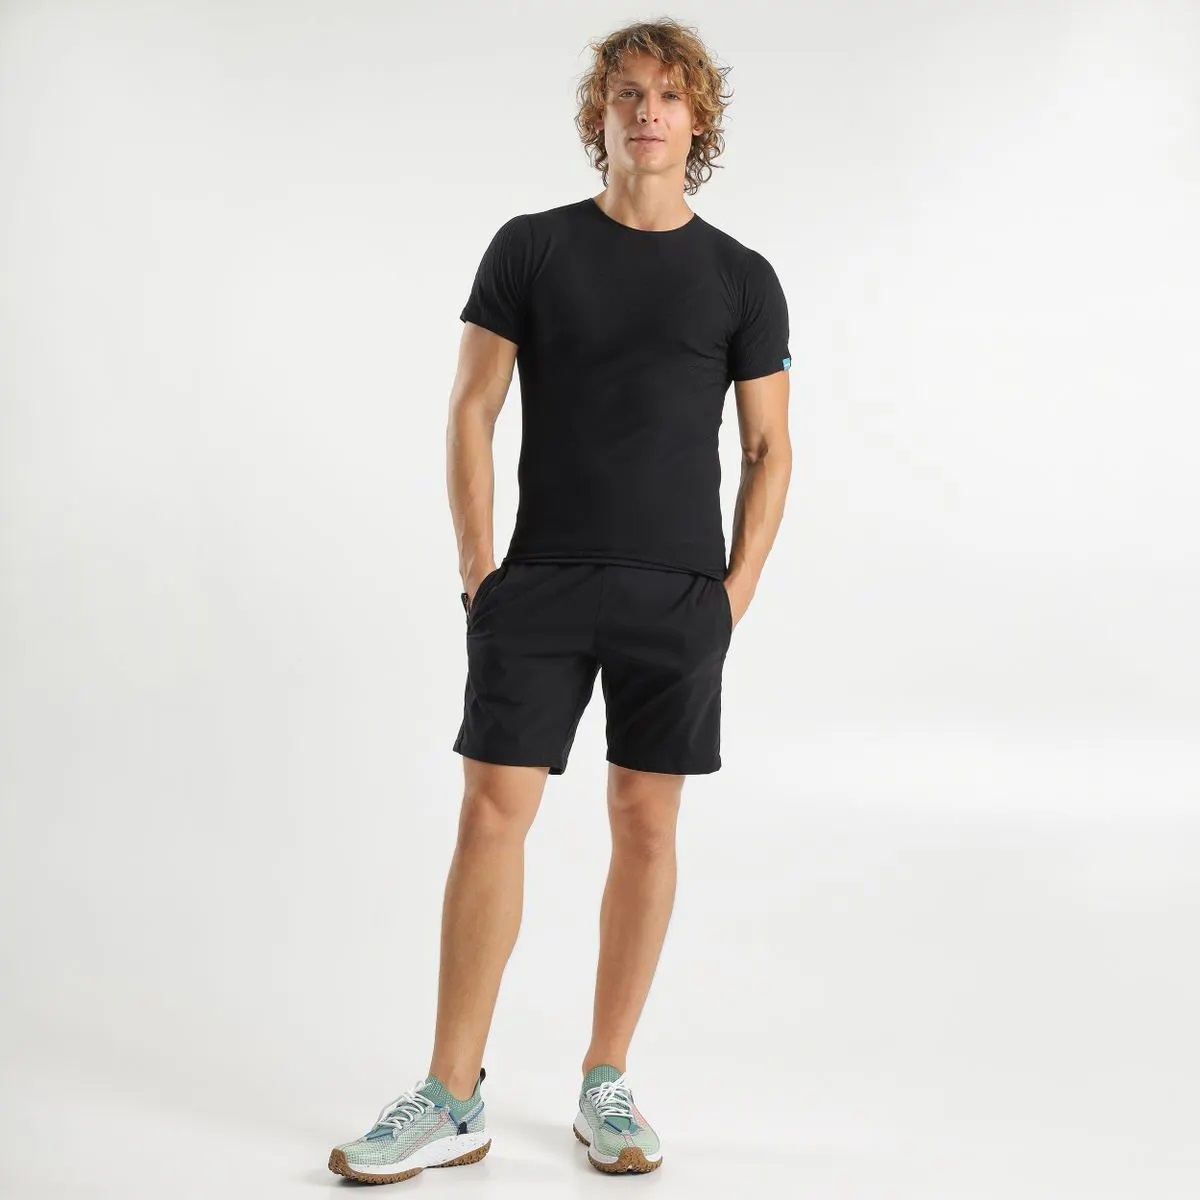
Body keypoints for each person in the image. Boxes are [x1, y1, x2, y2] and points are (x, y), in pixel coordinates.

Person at [328, 17, 791, 1183]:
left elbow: (769, 449)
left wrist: (731, 596)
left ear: (698, 119)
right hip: (536, 583)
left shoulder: (742, 277)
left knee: (647, 823)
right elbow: (471, 408)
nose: (647, 112)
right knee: (493, 813)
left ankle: (606, 1081)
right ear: (601, 115)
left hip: (677, 594)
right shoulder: (531, 248)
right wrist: (478, 572)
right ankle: (452, 1094)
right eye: (627, 93)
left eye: (668, 96)